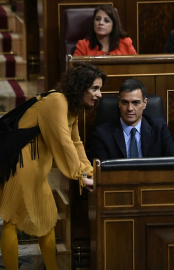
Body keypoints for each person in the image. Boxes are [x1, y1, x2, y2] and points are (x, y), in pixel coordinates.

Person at [0, 63, 107, 269]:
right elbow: (63, 140)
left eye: (99, 89)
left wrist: (88, 170)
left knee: (46, 221)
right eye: (95, 88)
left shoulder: (72, 107)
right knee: (13, 219)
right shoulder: (57, 100)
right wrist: (79, 175)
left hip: (37, 165)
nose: (99, 94)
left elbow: (76, 142)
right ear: (81, 86)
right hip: (20, 161)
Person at [88, 79, 174, 161]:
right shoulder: (101, 133)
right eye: (125, 102)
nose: (130, 108)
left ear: (145, 103)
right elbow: (101, 171)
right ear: (119, 103)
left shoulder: (159, 128)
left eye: (135, 103)